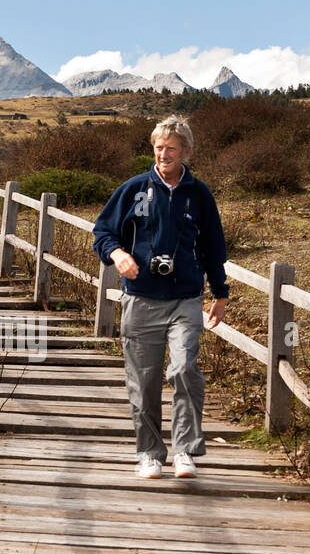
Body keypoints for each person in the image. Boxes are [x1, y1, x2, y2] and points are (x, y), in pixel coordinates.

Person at [92, 115, 229, 479]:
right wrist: (118, 255)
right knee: (144, 380)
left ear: (185, 151)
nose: (163, 154)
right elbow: (103, 232)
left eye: (170, 148)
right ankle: (150, 454)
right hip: (140, 298)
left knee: (184, 369)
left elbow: (214, 247)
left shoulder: (199, 194)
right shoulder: (133, 188)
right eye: (158, 147)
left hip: (185, 298)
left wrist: (220, 292)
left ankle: (185, 450)